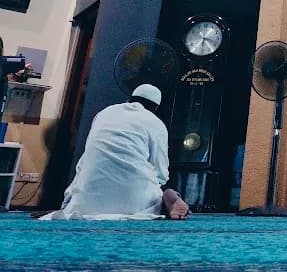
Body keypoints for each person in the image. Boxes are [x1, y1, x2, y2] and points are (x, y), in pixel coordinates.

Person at [41, 84, 189, 220]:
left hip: (87, 203)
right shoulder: (156, 123)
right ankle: (169, 196)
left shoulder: (104, 113)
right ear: (155, 107)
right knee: (158, 194)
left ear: (130, 98)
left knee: (81, 180)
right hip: (134, 202)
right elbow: (160, 170)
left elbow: (88, 156)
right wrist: (158, 185)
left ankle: (73, 203)